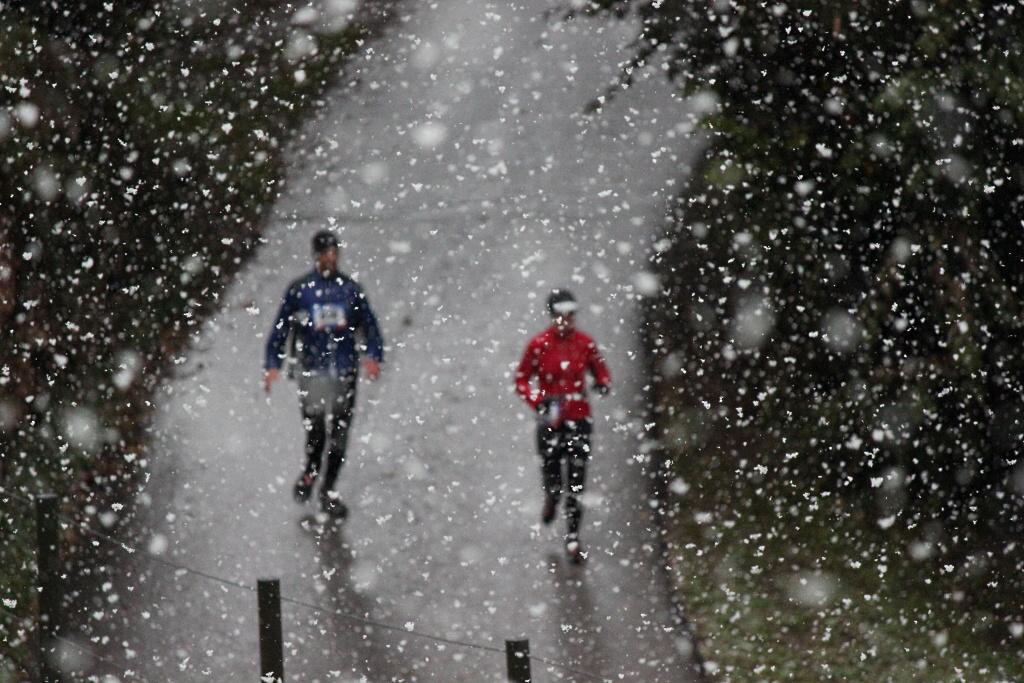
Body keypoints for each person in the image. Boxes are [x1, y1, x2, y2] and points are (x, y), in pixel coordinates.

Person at [264, 229, 384, 519]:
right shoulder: (300, 291)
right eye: (326, 254)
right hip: (313, 372)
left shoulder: (350, 290)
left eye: (334, 253)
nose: (331, 258)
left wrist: (373, 356)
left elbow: (369, 324)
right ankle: (310, 471)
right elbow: (281, 329)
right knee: (316, 432)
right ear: (317, 256)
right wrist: (273, 364)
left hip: (343, 371)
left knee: (340, 435)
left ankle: (328, 490)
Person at [514, 289, 611, 563]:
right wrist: (538, 400)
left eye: (570, 316)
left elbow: (601, 370)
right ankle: (551, 499)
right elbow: (521, 380)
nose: (565, 321)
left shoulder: (585, 343)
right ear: (552, 316)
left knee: (577, 479)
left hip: (579, 417)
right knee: (553, 474)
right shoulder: (538, 345)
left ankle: (573, 537)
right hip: (550, 417)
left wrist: (602, 383)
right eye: (560, 316)